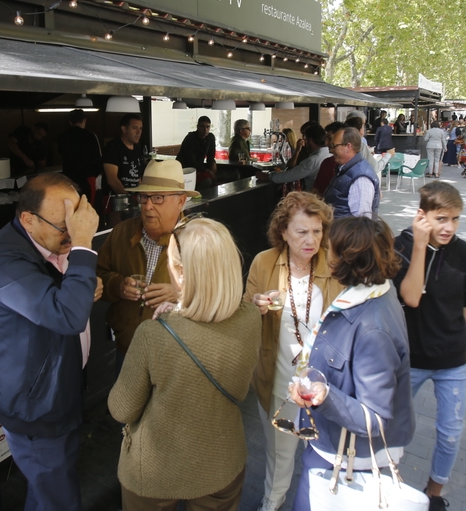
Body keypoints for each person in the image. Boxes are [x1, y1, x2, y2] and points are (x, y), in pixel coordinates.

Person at [108, 218, 260, 511]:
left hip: (154, 473)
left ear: (179, 272)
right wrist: (181, 303)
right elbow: (238, 389)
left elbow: (121, 409)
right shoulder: (251, 317)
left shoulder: (153, 335)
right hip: (221, 463)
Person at [0, 173, 102, 511]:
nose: (72, 235)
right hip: (34, 406)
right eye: (65, 227)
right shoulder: (5, 262)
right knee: (58, 497)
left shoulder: (40, 241)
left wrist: (83, 288)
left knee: (47, 486)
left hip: (55, 389)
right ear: (27, 219)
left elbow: (59, 300)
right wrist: (85, 246)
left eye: (77, 224)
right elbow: (67, 316)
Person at [288, 216, 415, 511]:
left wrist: (323, 395)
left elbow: (374, 418)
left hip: (344, 460)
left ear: (345, 260)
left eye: (330, 247)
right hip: (332, 447)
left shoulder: (372, 329)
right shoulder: (372, 293)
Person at [244, 192, 345, 511]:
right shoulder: (264, 262)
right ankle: (272, 501)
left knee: (323, 451)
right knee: (279, 450)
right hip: (277, 378)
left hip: (322, 382)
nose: (311, 240)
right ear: (283, 232)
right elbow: (242, 313)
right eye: (302, 232)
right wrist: (255, 307)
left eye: (317, 231)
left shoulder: (334, 264)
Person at [394, 182, 466, 509]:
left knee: (450, 432)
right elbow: (411, 297)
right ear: (422, 216)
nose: (449, 227)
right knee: (396, 426)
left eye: (455, 219)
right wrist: (419, 245)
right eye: (441, 219)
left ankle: (434, 494)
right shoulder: (401, 247)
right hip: (412, 358)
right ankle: (390, 480)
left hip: (452, 359)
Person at [97, 159, 198, 375]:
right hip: (128, 351)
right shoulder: (122, 233)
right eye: (143, 197)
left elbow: (220, 294)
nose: (148, 205)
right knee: (124, 408)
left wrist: (181, 293)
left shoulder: (198, 239)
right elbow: (96, 277)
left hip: (178, 355)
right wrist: (118, 286)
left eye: (158, 198)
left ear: (180, 201)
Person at [323, 126, 380, 218]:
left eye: (334, 146)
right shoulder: (345, 169)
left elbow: (361, 221)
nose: (331, 150)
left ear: (348, 147)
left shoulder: (361, 178)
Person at [260, 124, 330, 192]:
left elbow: (290, 175)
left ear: (310, 140)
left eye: (305, 139)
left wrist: (268, 176)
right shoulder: (329, 153)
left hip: (311, 197)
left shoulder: (313, 160)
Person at [57, 108, 102, 201]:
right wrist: (95, 174)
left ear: (70, 122)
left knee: (70, 205)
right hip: (87, 177)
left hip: (68, 177)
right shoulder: (91, 136)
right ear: (84, 120)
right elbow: (98, 158)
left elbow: (60, 153)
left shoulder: (62, 136)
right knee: (87, 206)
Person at [103, 113, 148, 201]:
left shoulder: (137, 149)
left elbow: (138, 178)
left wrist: (142, 196)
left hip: (134, 199)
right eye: (134, 128)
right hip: (115, 200)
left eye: (140, 128)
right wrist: (128, 198)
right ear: (124, 129)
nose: (139, 132)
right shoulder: (113, 147)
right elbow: (112, 179)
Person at [176, 116, 217, 189]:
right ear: (198, 127)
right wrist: (208, 171)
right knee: (207, 181)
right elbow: (190, 161)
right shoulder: (190, 138)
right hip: (184, 169)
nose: (205, 130)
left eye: (208, 127)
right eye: (202, 127)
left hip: (198, 168)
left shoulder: (210, 137)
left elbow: (211, 156)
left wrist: (213, 163)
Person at [312, 122, 346, 195]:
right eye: (326, 138)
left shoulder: (353, 167)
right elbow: (316, 190)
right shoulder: (326, 162)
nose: (326, 142)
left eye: (330, 138)